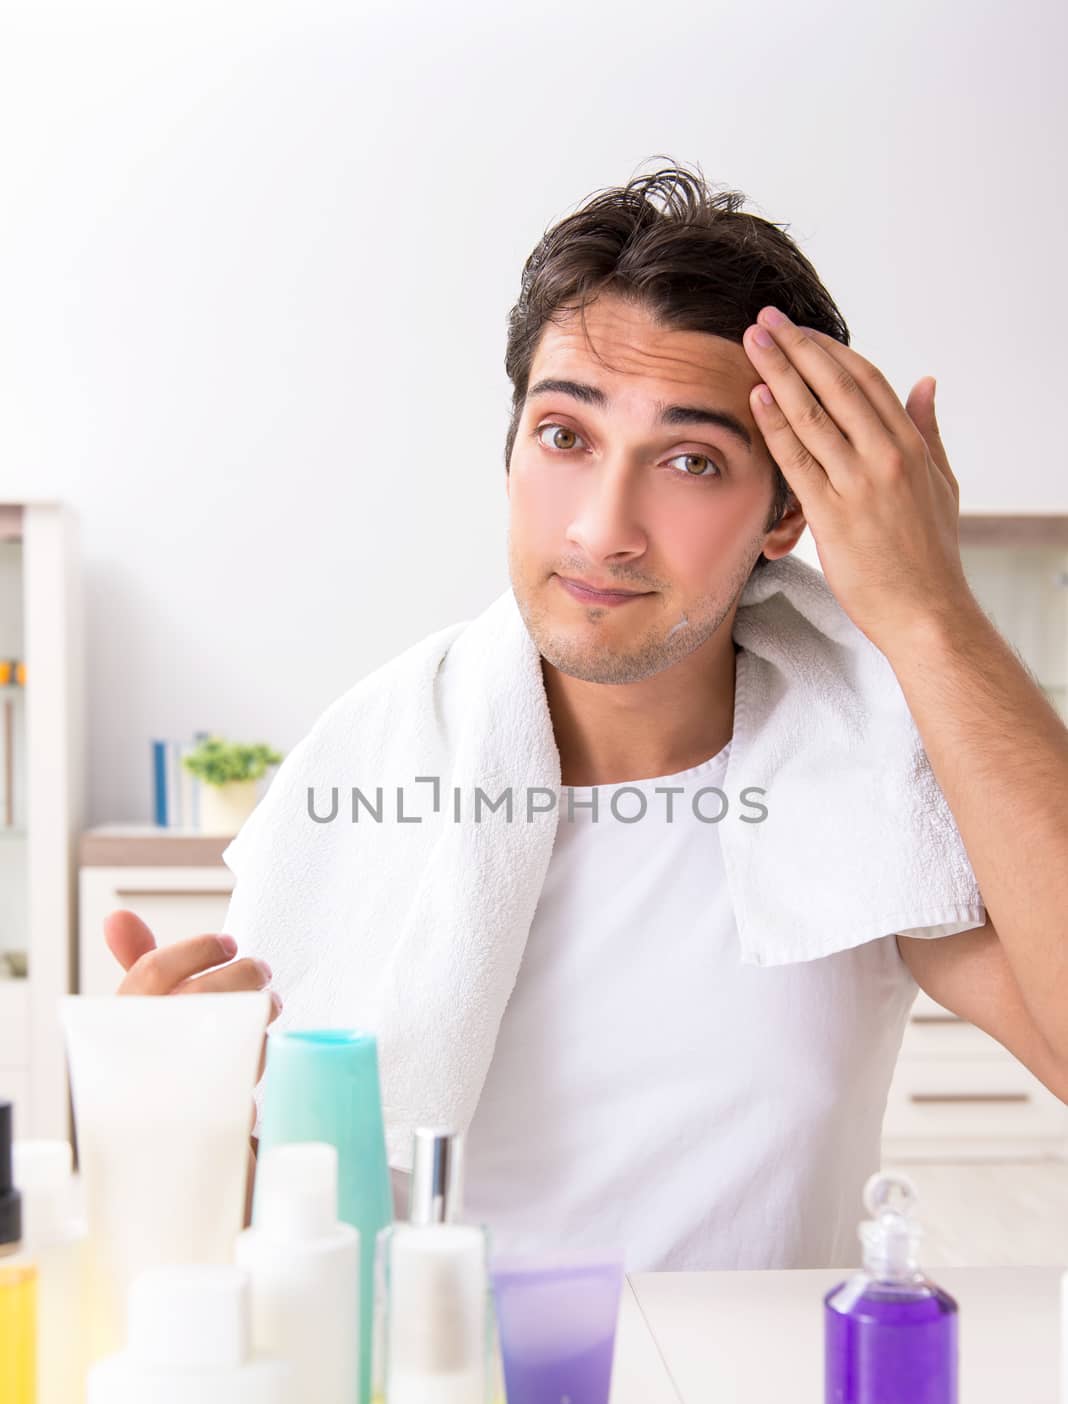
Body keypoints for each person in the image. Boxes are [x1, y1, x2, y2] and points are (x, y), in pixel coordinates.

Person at [104, 160, 1068, 1269]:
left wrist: (933, 613)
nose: (604, 529)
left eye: (692, 461)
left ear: (786, 512)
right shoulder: (365, 771)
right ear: (512, 450)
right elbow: (260, 1235)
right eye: (566, 437)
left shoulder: (855, 773)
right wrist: (169, 1103)